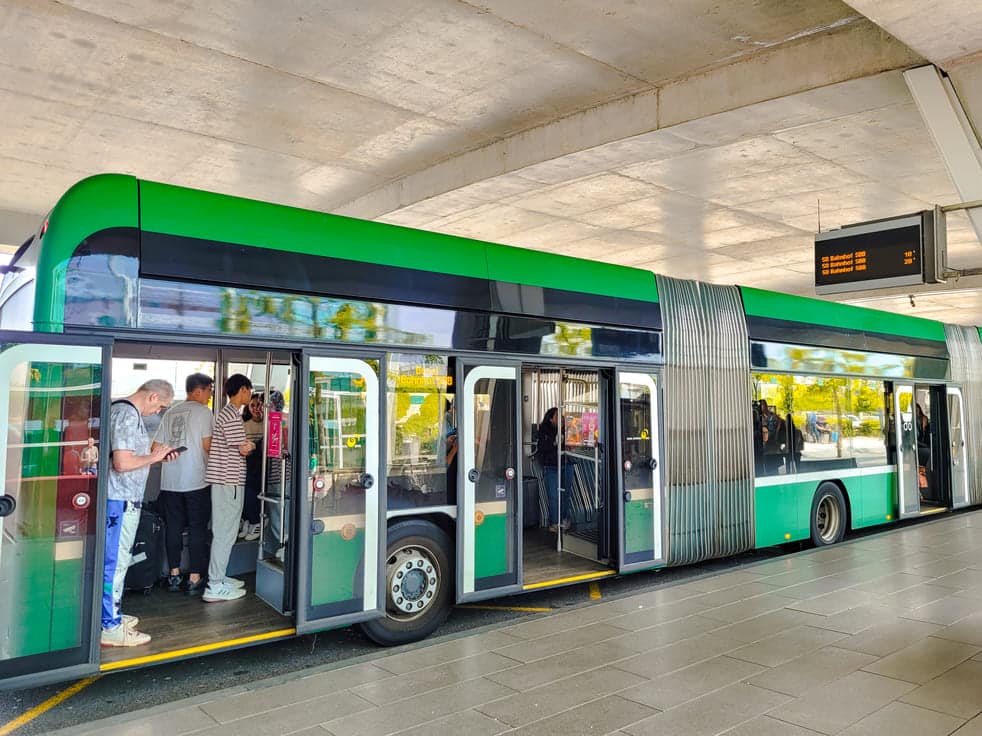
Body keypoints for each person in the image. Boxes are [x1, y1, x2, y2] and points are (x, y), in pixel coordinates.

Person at [101, 379, 175, 647]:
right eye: (161, 407)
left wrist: (154, 455)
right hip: (119, 499)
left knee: (116, 561)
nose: (158, 412)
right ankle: (109, 625)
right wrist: (153, 458)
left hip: (122, 499)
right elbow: (122, 463)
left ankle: (111, 615)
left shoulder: (122, 412)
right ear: (153, 396)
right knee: (115, 563)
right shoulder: (126, 415)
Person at [155, 373, 214, 596]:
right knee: (198, 528)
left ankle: (173, 574)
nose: (210, 396)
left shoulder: (170, 412)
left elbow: (156, 447)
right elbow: (208, 446)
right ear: (198, 391)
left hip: (169, 482)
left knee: (174, 528)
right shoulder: (203, 412)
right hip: (196, 481)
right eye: (209, 390)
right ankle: (194, 577)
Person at [203, 374, 256, 602]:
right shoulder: (232, 416)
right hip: (229, 481)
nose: (250, 394)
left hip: (223, 481)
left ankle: (219, 577)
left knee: (223, 531)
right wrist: (252, 444)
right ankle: (214, 584)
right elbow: (243, 448)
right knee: (225, 533)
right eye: (249, 390)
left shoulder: (224, 413)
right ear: (242, 389)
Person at [536, 407, 570, 532]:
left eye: (561, 416)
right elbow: (542, 448)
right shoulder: (544, 430)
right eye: (557, 416)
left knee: (566, 494)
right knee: (554, 496)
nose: (561, 418)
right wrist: (554, 442)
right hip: (551, 465)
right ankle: (555, 522)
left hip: (566, 463)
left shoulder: (568, 429)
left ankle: (564, 519)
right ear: (550, 419)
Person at [240, 392, 264, 542]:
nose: (256, 408)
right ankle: (249, 519)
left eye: (259, 405)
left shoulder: (269, 423)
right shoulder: (243, 425)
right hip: (248, 464)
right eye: (252, 405)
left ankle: (256, 521)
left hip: (264, 465)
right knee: (247, 493)